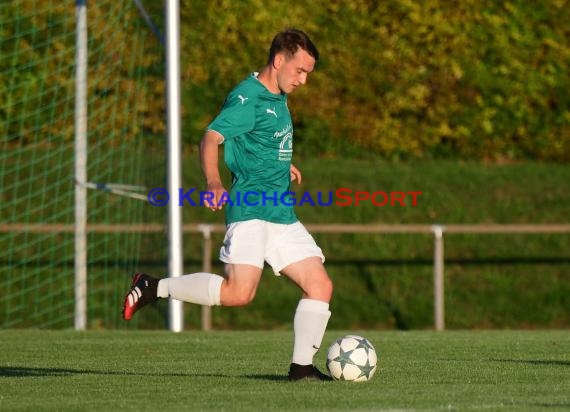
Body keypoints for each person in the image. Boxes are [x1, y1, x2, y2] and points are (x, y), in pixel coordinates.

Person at [122, 28, 334, 381]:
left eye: (308, 74)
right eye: (300, 71)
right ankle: (152, 287)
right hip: (251, 211)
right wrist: (214, 181)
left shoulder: (278, 96)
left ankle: (301, 369)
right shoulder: (246, 98)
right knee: (238, 294)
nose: (303, 80)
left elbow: (259, 139)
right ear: (279, 61)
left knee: (320, 286)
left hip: (280, 213)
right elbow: (211, 138)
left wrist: (282, 163)